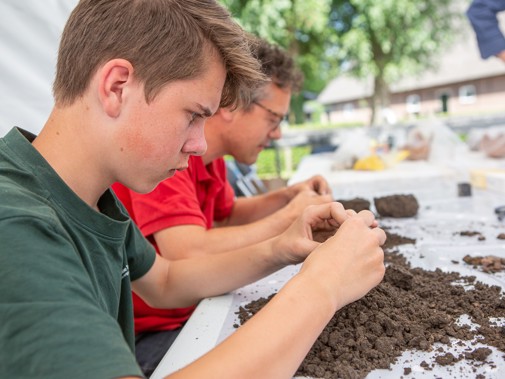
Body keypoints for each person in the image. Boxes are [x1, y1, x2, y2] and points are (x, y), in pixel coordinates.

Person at [0, 1, 386, 379]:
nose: (201, 145)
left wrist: (282, 247)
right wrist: (323, 286)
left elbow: (165, 281)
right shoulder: (16, 226)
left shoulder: (88, 196)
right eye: (194, 116)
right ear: (117, 87)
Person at [112, 38, 334, 375]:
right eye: (273, 118)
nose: (276, 134)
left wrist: (286, 198)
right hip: (158, 330)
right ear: (231, 107)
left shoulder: (210, 159)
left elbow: (225, 216)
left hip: (193, 306)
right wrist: (289, 218)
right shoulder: (166, 159)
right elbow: (187, 251)